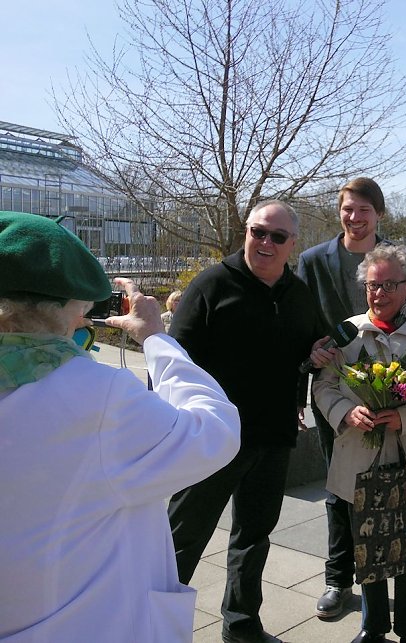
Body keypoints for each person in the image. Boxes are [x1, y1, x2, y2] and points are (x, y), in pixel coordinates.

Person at [0, 211, 241, 642]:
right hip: (87, 623)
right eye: (80, 308)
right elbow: (214, 431)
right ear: (61, 307)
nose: (84, 319)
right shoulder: (95, 397)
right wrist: (156, 338)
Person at [166, 200, 328, 643]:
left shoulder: (298, 293)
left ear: (292, 244)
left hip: (272, 437)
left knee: (253, 538)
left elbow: (312, 345)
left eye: (277, 236)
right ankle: (151, 625)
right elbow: (169, 362)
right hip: (211, 438)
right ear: (246, 233)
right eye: (258, 232)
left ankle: (242, 626)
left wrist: (316, 356)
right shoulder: (211, 286)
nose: (265, 243)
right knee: (181, 540)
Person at [312, 244, 406, 643]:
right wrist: (345, 411)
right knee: (367, 547)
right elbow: (323, 385)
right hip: (358, 457)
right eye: (372, 285)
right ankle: (372, 625)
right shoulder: (348, 331)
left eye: (389, 285)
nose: (378, 294)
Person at [296, 177, 406, 619]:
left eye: (364, 210)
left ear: (379, 214)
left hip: (392, 398)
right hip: (337, 395)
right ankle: (339, 578)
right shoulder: (313, 261)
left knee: (401, 490)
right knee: (340, 489)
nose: (355, 217)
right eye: (348, 209)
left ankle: (405, 582)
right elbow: (299, 326)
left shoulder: (401, 261)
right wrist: (309, 357)